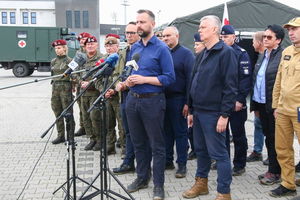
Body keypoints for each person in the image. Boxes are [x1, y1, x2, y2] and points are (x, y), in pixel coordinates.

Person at [182, 15, 237, 200]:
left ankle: (223, 192)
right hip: (198, 112)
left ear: (215, 29)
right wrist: (191, 110)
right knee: (201, 151)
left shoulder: (225, 52)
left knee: (219, 154)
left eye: (203, 27)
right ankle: (201, 184)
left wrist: (224, 115)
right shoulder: (202, 52)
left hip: (214, 114)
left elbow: (230, 87)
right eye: (199, 27)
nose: (199, 29)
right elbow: (193, 82)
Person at [125, 9, 175, 200]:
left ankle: (158, 186)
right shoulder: (135, 48)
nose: (139, 25)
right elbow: (131, 71)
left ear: (152, 24)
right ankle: (141, 178)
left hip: (152, 101)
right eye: (137, 22)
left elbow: (170, 78)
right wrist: (129, 80)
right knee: (138, 143)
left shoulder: (161, 48)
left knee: (157, 145)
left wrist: (145, 79)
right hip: (133, 100)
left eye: (142, 22)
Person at [250, 24, 284, 185]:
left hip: (275, 106)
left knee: (275, 139)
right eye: (264, 36)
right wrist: (255, 106)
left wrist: (278, 106)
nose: (265, 39)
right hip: (262, 104)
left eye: (269, 37)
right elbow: (257, 81)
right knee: (268, 139)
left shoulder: (282, 56)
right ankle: (272, 169)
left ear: (278, 40)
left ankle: (276, 172)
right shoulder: (264, 55)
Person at [270, 17, 300, 197]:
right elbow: (279, 80)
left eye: (295, 29)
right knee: (282, 149)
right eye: (289, 29)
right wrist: (276, 105)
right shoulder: (287, 51)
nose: (291, 32)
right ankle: (288, 184)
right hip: (283, 110)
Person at [162, 26, 195, 178]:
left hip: (179, 99)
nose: (165, 38)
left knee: (180, 133)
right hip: (163, 99)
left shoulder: (186, 54)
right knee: (166, 133)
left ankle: (181, 165)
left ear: (177, 36)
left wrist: (188, 103)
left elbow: (191, 80)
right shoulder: (163, 54)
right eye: (163, 36)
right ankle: (167, 161)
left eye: (168, 35)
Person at [220, 25, 252, 176]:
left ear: (234, 37)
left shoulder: (241, 53)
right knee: (222, 134)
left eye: (226, 37)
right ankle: (223, 161)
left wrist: (240, 100)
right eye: (222, 37)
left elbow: (245, 79)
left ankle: (239, 164)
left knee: (238, 134)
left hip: (236, 103)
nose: (224, 39)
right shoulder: (218, 52)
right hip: (221, 101)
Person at [112, 21, 140, 174]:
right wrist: (117, 85)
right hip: (124, 97)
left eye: (132, 32)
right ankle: (128, 162)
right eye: (127, 33)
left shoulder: (142, 51)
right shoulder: (123, 52)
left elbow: (142, 73)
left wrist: (126, 85)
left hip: (138, 96)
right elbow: (117, 73)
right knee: (127, 131)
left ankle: (142, 164)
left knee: (139, 133)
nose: (129, 35)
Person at [77, 36, 103, 151]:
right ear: (85, 46)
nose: (90, 46)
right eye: (88, 45)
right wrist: (80, 81)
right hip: (83, 93)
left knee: (95, 117)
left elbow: (102, 76)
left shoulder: (101, 58)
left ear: (96, 45)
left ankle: (100, 140)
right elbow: (74, 72)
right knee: (86, 117)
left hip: (95, 93)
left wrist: (90, 83)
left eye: (92, 44)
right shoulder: (81, 58)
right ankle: (92, 139)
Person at [103, 34, 125, 155]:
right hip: (106, 97)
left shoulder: (120, 59)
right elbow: (99, 79)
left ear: (117, 46)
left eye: (112, 46)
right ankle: (110, 146)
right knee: (108, 123)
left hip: (117, 96)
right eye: (107, 46)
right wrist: (104, 91)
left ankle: (124, 148)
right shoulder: (104, 60)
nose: (109, 48)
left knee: (121, 124)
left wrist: (114, 90)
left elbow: (122, 76)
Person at [50, 39, 75, 145]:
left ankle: (70, 137)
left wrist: (74, 85)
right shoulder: (53, 61)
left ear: (65, 48)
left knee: (68, 113)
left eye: (59, 48)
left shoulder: (70, 61)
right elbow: (52, 75)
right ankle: (60, 135)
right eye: (55, 48)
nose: (57, 50)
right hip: (55, 89)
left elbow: (74, 75)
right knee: (57, 112)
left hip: (66, 89)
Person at [247, 31, 266, 163]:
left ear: (259, 42)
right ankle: (257, 151)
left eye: (253, 41)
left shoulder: (268, 58)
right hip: (258, 100)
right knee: (258, 125)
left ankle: (273, 155)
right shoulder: (259, 57)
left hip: (267, 102)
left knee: (270, 131)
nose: (252, 44)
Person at [187, 33, 205, 161]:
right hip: (195, 105)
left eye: (197, 44)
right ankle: (195, 150)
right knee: (192, 132)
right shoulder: (196, 58)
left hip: (208, 107)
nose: (195, 47)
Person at [74, 32, 92, 137]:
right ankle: (83, 127)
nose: (82, 41)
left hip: (89, 84)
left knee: (90, 108)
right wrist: (74, 80)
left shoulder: (90, 52)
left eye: (84, 39)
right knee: (81, 107)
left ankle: (92, 129)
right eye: (80, 40)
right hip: (79, 83)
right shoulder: (78, 53)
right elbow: (72, 67)